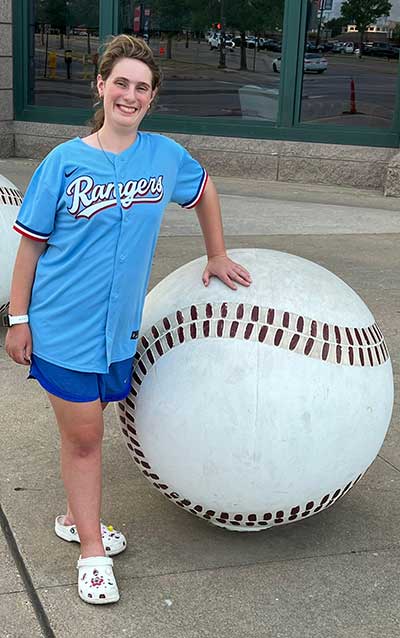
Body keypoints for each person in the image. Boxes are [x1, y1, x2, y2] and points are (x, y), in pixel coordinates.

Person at [5, 34, 252, 605]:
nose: (130, 94)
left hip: (119, 332)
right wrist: (20, 318)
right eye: (121, 82)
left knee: (87, 430)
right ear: (100, 85)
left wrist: (216, 252)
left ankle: (73, 514)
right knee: (87, 437)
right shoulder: (64, 162)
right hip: (61, 328)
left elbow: (205, 189)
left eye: (142, 87)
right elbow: (30, 248)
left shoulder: (164, 157)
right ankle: (91, 548)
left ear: (151, 97)